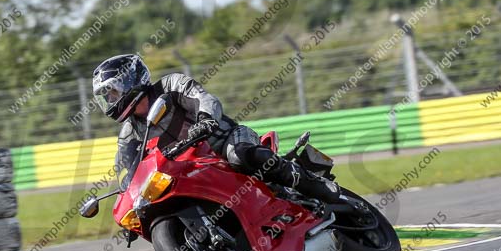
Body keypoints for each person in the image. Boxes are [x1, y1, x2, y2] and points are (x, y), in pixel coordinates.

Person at [91, 54, 341, 204]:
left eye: (112, 91)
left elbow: (204, 99)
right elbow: (127, 169)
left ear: (131, 80)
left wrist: (206, 119)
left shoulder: (169, 86)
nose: (110, 100)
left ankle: (310, 183)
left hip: (224, 140)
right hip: (193, 169)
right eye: (106, 96)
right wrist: (127, 196)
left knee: (240, 155)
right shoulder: (128, 133)